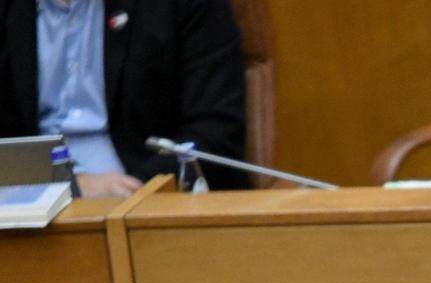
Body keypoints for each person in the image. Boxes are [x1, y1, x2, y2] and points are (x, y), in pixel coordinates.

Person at [0, 0, 249, 196]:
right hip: (24, 211)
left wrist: (139, 189)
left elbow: (216, 132)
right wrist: (69, 188)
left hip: (146, 204)